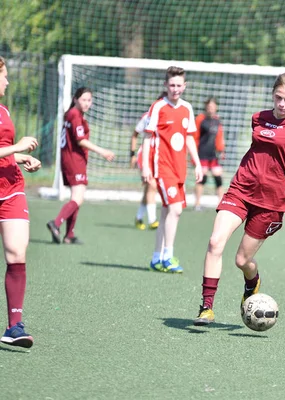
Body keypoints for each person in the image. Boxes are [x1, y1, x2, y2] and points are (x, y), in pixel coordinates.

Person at [193, 72, 285, 326]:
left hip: (271, 202)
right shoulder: (258, 118)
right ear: (272, 95)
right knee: (215, 242)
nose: (282, 104)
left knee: (242, 260)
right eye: (278, 98)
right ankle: (206, 307)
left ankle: (252, 283)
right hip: (241, 189)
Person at [141, 66, 202, 274]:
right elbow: (148, 138)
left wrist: (198, 163)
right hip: (162, 167)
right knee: (176, 209)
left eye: (179, 85)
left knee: (168, 210)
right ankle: (168, 256)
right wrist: (147, 167)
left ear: (184, 86)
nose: (175, 89)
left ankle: (156, 258)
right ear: (165, 85)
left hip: (179, 169)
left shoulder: (187, 108)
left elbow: (189, 137)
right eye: (172, 85)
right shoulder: (158, 107)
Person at [0, 56, 42, 348]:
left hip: (11, 187)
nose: (7, 81)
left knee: (17, 251)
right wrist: (17, 146)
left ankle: (14, 326)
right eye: (3, 76)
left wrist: (22, 156)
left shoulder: (3, 110)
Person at [46, 87, 115, 245]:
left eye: (89, 100)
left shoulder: (72, 114)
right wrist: (102, 151)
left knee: (76, 198)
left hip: (72, 159)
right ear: (75, 99)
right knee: (78, 198)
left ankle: (69, 235)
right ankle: (56, 224)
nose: (86, 103)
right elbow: (80, 140)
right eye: (83, 99)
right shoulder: (75, 115)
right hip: (73, 160)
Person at [131, 92, 167, 230]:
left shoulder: (171, 117)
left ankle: (139, 217)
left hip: (159, 157)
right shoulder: (148, 116)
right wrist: (132, 155)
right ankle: (153, 220)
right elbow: (135, 134)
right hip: (145, 155)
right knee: (152, 185)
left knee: (149, 188)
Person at [193, 97, 226, 211]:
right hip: (202, 153)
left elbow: (220, 137)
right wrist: (194, 155)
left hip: (213, 155)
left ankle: (221, 204)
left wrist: (221, 150)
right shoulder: (200, 119)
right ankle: (197, 203)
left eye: (213, 106)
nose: (211, 108)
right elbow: (194, 137)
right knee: (202, 178)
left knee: (218, 178)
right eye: (209, 106)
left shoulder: (217, 121)